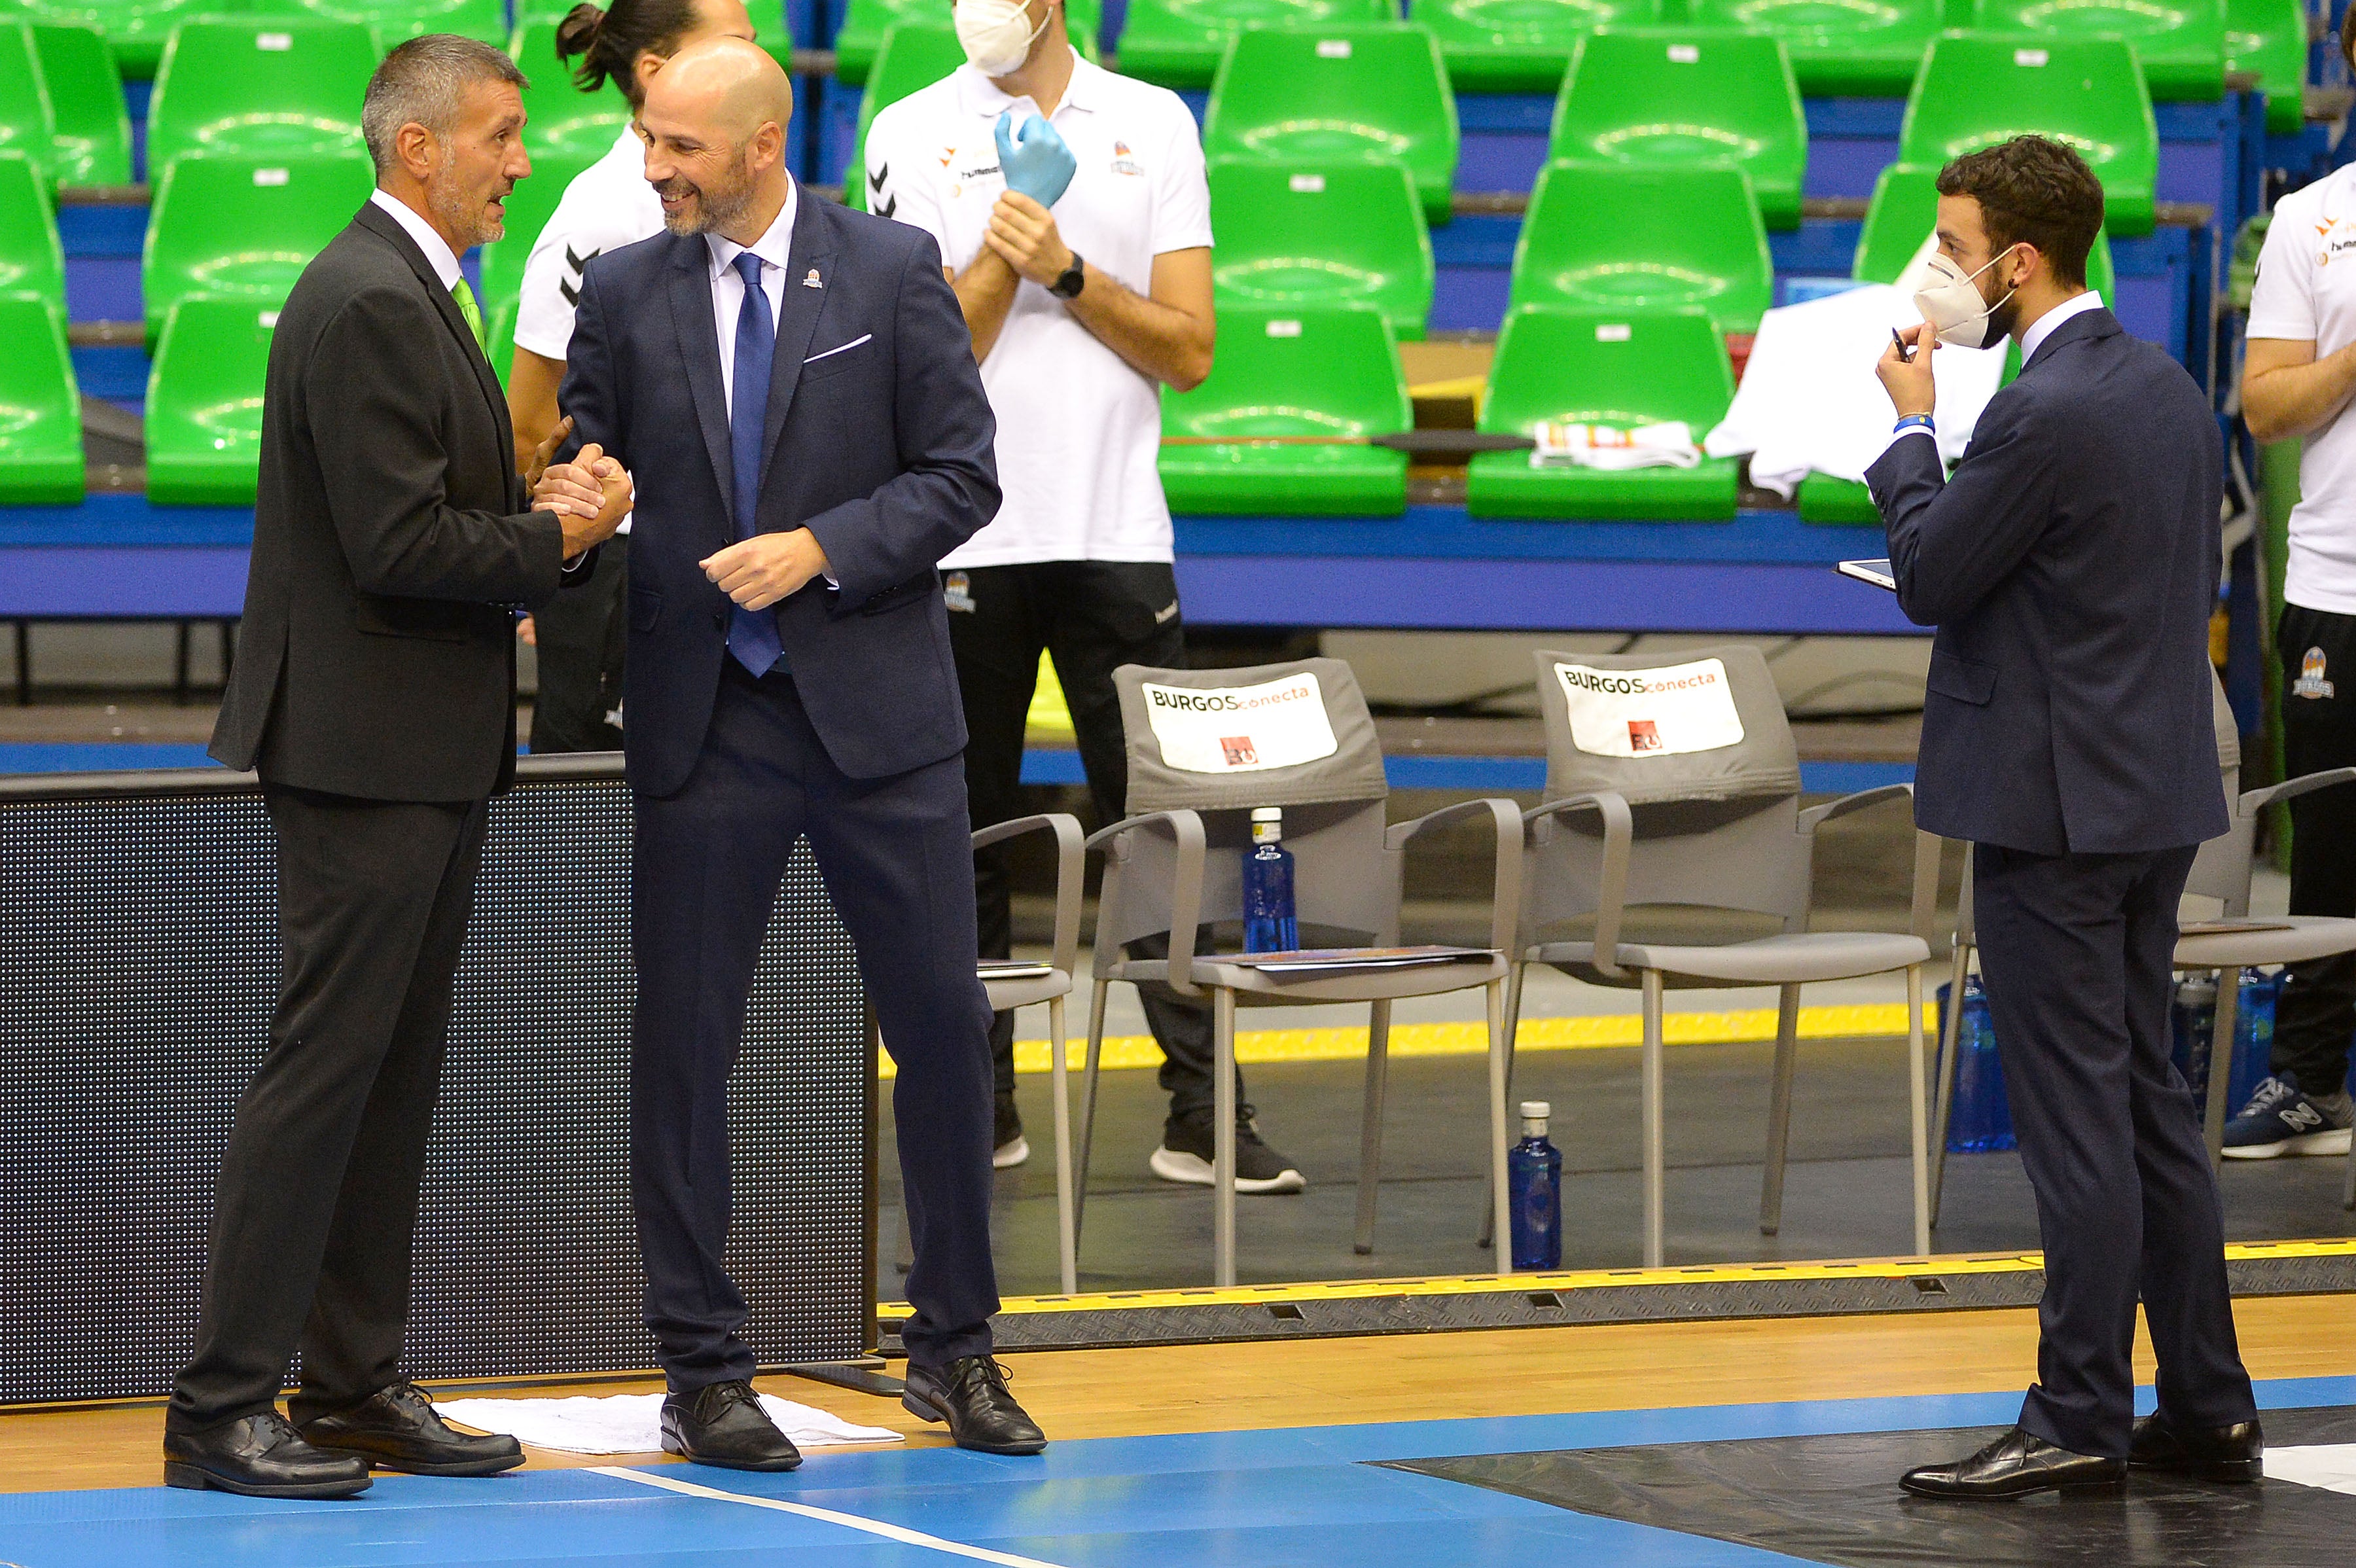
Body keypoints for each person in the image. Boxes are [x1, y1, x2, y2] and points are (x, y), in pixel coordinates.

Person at [558, 37, 1046, 1467]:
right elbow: (587, 467)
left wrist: (827, 545)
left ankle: (958, 1350)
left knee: (946, 1036)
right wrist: (580, 502)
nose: (654, 167)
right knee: (684, 1051)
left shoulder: (893, 271)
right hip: (705, 725)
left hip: (881, 727)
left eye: (680, 148)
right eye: (649, 141)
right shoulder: (627, 283)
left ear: (761, 145)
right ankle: (703, 1368)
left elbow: (963, 475)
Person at [166, 36, 631, 1498]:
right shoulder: (370, 295)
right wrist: (558, 536)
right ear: (417, 147)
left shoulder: (407, 288)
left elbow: (430, 516)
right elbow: (397, 545)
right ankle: (222, 1408)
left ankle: (355, 1383)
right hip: (366, 755)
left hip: (416, 750)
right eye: (499, 135)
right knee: (326, 1079)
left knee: (386, 1082)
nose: (519, 160)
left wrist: (545, 504)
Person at [1868, 135, 2259, 1499]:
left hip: (2054, 808)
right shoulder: (2160, 386)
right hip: (2148, 792)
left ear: (2017, 263)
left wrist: (1911, 429)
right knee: (2148, 1108)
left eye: (1955, 245)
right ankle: (2206, 1402)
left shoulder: (2038, 411)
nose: (1943, 268)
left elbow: (1927, 572)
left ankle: (2079, 1407)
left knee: (2079, 1123)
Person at [864, 0, 1302, 1194]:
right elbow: (925, 352)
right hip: (962, 533)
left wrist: (1064, 265)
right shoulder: (909, 128)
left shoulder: (1153, 124)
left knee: (1167, 831)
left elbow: (1189, 348)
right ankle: (975, 1104)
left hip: (1116, 533)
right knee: (961, 835)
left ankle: (1204, 1112)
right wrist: (1005, 254)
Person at [505, 0, 759, 755]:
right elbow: (530, 424)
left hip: (717, 558)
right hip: (620, 569)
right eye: (734, 44)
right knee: (590, 824)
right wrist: (553, 570)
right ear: (654, 72)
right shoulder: (605, 211)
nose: (756, 57)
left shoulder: (740, 195)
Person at [2222, 14, 2356, 1159]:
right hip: (2338, 586)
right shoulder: (2317, 221)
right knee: (2329, 844)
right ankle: (2313, 1079)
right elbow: (2264, 407)